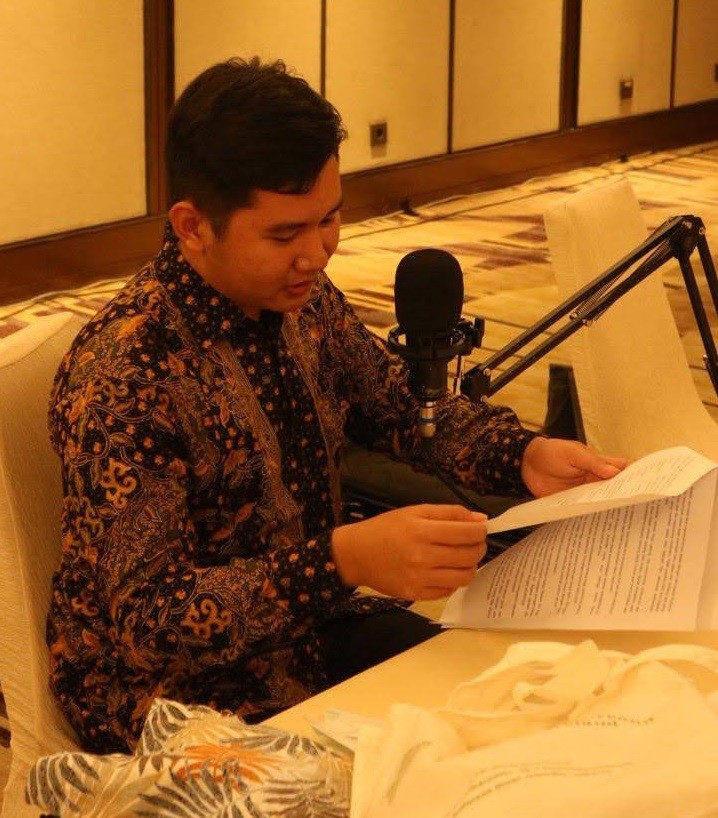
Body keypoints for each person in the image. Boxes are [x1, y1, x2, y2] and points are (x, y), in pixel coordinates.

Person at [47, 57, 626, 753]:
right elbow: (150, 622)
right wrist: (342, 561)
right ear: (193, 226)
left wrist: (523, 454)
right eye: (284, 234)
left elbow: (397, 405)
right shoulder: (125, 374)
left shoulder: (299, 300)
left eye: (330, 219)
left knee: (506, 701)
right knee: (434, 759)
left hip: (308, 631)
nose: (317, 254)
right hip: (171, 697)